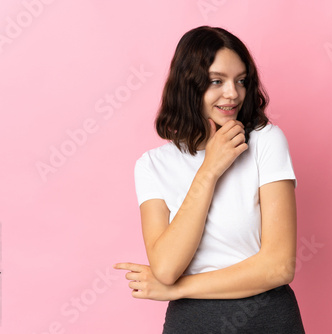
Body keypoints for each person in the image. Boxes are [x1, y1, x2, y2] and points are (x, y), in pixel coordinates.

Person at [114, 25, 305, 333]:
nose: (233, 93)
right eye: (217, 81)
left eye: (241, 81)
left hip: (267, 320)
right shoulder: (152, 166)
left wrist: (177, 290)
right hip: (192, 324)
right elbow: (165, 267)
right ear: (189, 86)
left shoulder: (265, 142)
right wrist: (210, 169)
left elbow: (279, 266)